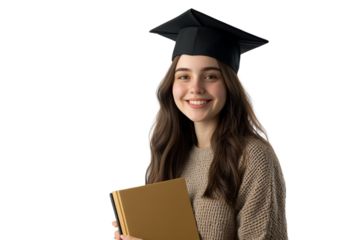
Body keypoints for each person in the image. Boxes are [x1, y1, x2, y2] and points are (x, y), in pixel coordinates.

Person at [110, 7, 290, 239]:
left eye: (210, 76)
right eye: (184, 76)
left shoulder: (253, 158)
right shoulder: (170, 153)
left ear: (229, 85)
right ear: (171, 85)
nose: (195, 88)